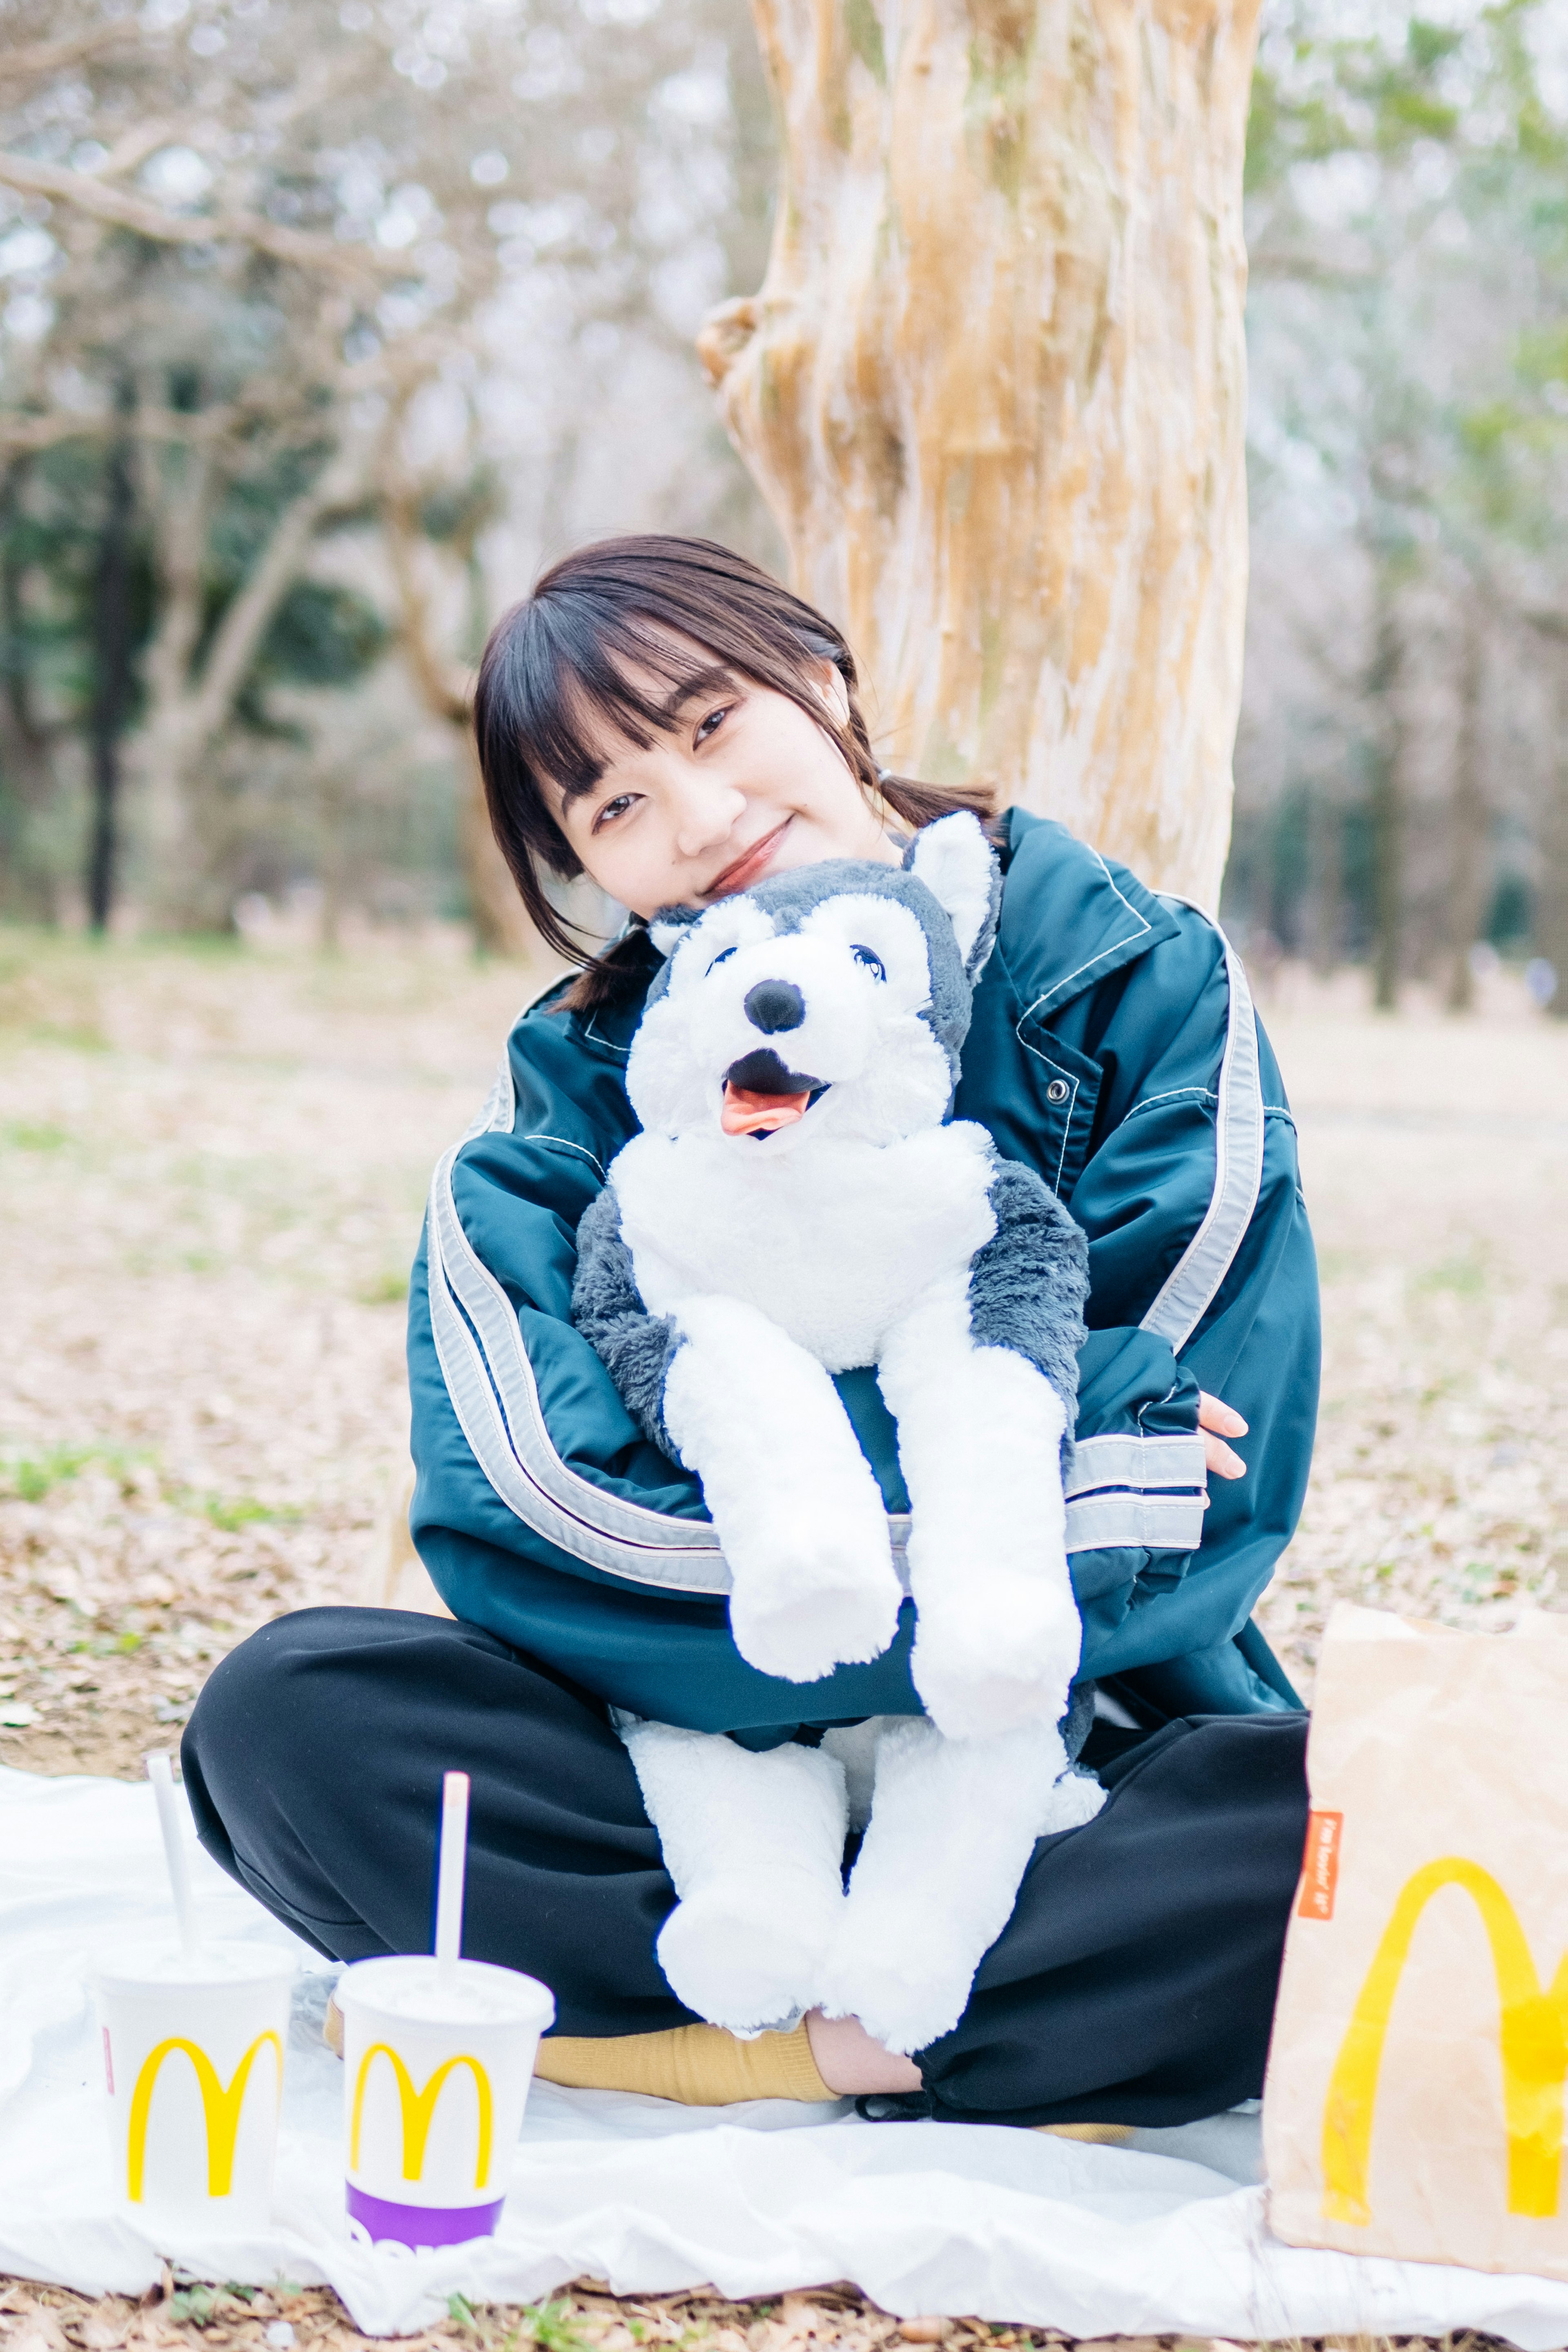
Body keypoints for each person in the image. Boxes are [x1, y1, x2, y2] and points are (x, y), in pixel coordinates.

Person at [183, 535, 1319, 2127]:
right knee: (286, 1717)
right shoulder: (580, 1098)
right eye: (615, 807)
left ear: (828, 678)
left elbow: (1212, 1475)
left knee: (1306, 1824)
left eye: (711, 726)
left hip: (1061, 1739)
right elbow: (529, 1512)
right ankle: (898, 2029)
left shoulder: (1134, 978)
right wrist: (1032, 1466)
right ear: (590, 872)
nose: (700, 820)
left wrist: (785, 1472)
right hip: (683, 1735)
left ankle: (744, 2040)